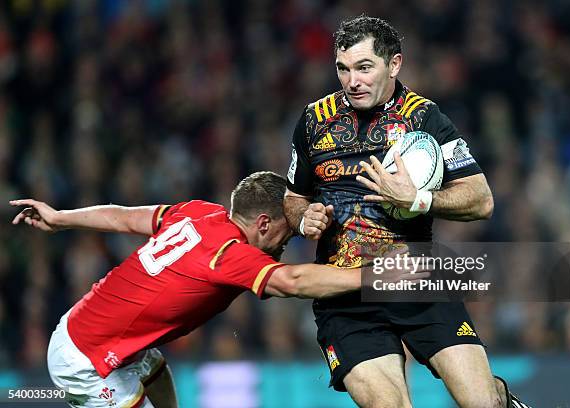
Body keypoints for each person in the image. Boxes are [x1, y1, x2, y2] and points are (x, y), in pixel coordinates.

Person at [10, 171, 427, 408]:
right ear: (263, 223)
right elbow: (293, 281)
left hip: (91, 329)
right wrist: (376, 276)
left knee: (154, 371)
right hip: (85, 359)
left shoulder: (200, 213)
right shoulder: (229, 255)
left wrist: (62, 218)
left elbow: (125, 217)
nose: (289, 240)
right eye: (286, 229)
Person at [283, 16, 531, 408]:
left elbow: (481, 200)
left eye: (365, 68)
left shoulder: (425, 118)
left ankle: (498, 393)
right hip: (345, 297)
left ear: (394, 64)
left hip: (416, 277)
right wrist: (302, 217)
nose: (352, 81)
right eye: (343, 69)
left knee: (484, 404)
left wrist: (417, 200)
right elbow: (293, 196)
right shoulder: (313, 120)